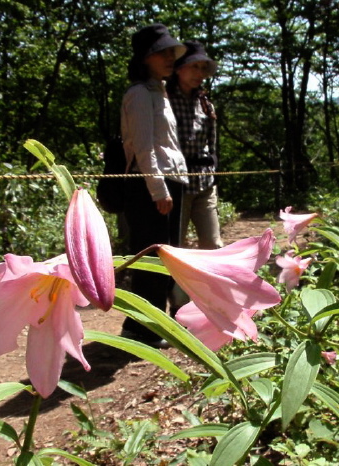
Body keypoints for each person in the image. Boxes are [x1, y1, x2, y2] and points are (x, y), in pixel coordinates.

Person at [120, 24, 188, 345]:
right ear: (145, 58)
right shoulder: (138, 94)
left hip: (169, 182)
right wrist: (159, 190)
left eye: (171, 52)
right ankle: (142, 328)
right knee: (151, 259)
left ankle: (147, 325)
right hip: (150, 188)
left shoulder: (159, 91)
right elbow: (144, 147)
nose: (169, 58)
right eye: (161, 52)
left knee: (165, 257)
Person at [166, 41, 224, 250]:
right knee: (175, 245)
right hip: (175, 185)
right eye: (194, 66)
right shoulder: (165, 100)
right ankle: (175, 284)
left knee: (213, 243)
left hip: (204, 184)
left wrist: (214, 172)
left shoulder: (206, 105)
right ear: (179, 69)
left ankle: (214, 283)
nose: (199, 73)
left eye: (202, 68)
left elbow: (212, 145)